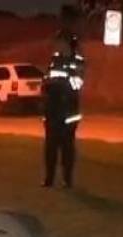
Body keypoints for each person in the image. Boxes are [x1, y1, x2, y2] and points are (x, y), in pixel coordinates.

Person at [42, 31, 85, 188]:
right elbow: (46, 80)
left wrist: (59, 83)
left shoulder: (77, 61)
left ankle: (67, 180)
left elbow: (77, 84)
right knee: (50, 147)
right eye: (57, 42)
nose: (58, 45)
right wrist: (47, 86)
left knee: (67, 148)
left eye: (61, 42)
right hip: (52, 109)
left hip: (68, 112)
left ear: (68, 44)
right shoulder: (54, 60)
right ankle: (49, 179)